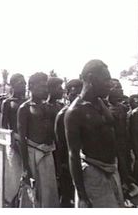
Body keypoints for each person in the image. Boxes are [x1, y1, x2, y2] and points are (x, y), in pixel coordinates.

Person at [65, 60, 124, 208]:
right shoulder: (74, 112)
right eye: (106, 80)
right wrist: (83, 196)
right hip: (93, 175)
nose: (110, 84)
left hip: (111, 171)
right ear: (91, 78)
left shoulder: (100, 103)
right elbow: (73, 155)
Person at [17, 72, 60, 207]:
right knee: (32, 193)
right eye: (42, 86)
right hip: (32, 155)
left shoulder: (49, 107)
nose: (45, 90)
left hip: (48, 154)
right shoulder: (25, 108)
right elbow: (22, 139)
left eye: (46, 86)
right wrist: (25, 167)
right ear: (31, 86)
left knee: (49, 192)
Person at [0, 73, 26, 206]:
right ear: (13, 85)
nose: (24, 85)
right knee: (14, 174)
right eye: (21, 83)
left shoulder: (27, 102)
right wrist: (12, 142)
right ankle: (10, 201)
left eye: (25, 83)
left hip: (27, 143)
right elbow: (3, 126)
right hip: (13, 142)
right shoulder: (7, 103)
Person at [54, 79, 82, 207]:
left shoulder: (87, 113)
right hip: (68, 162)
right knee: (68, 196)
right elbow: (59, 144)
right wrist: (62, 166)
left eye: (80, 94)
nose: (77, 98)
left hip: (84, 162)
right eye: (74, 94)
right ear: (68, 95)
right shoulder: (63, 114)